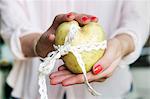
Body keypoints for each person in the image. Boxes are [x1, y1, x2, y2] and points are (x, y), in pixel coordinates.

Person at [0, 0, 149, 99]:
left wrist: (121, 45)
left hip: (112, 92)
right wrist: (37, 44)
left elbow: (138, 19)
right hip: (31, 91)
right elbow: (12, 24)